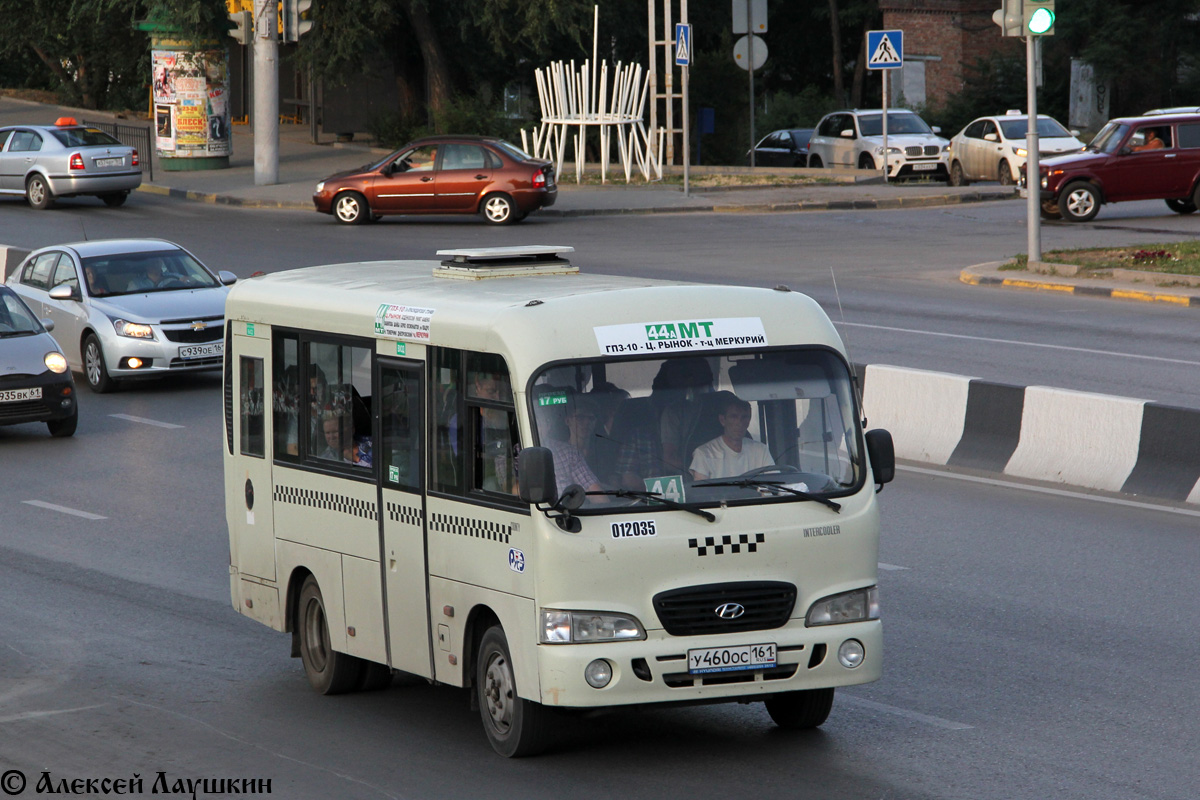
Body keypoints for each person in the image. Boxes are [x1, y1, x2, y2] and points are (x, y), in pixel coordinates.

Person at [689, 393, 773, 481]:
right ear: (722, 420)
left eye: (744, 417)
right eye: (734, 417)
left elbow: (776, 484)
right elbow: (700, 491)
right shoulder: (704, 453)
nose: (739, 423)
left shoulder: (761, 451)